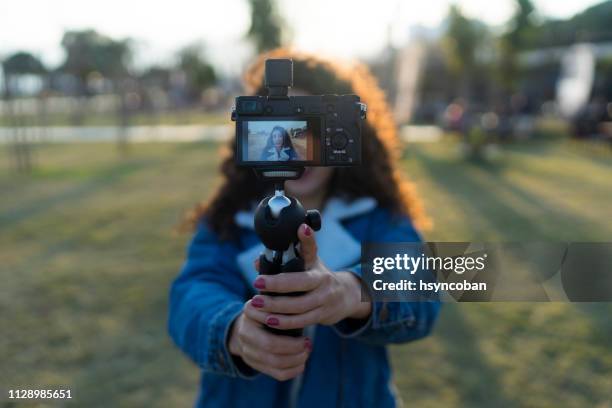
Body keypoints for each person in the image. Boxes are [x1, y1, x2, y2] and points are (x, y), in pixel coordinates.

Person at [168, 48, 441, 408]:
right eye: (282, 127)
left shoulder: (378, 216)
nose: (296, 146)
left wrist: (351, 291)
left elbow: (422, 284)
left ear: (346, 132)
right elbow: (192, 292)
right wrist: (234, 331)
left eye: (316, 127)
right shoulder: (228, 218)